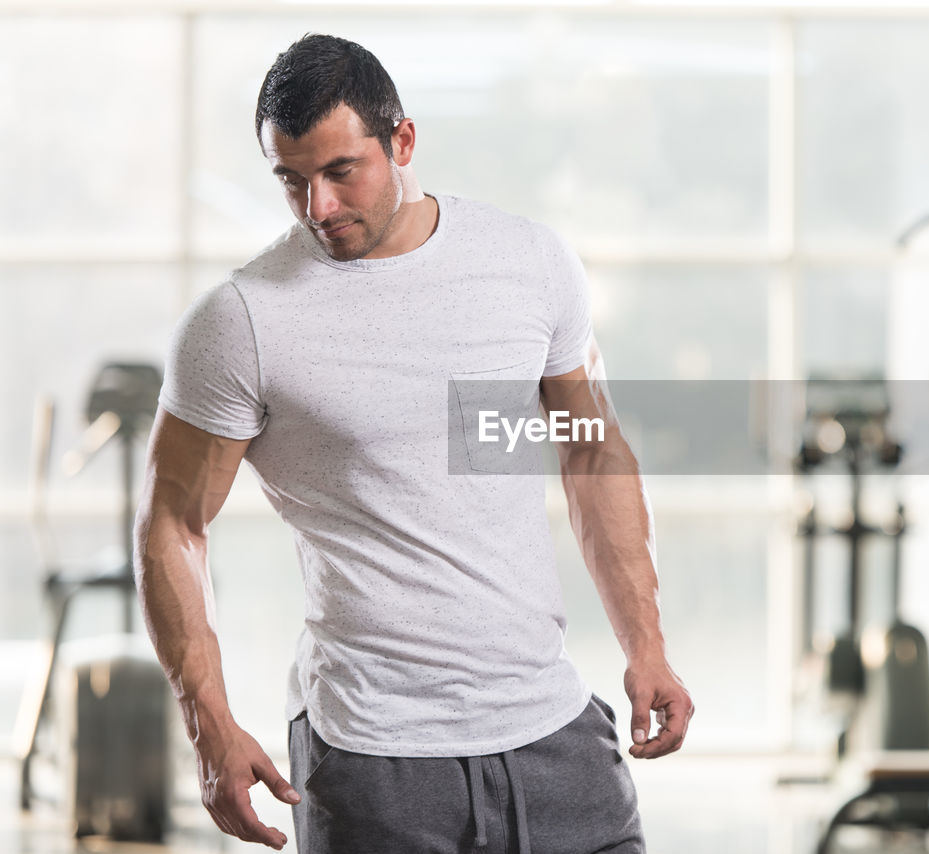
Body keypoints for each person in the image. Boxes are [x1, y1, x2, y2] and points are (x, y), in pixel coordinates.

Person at [133, 33, 692, 854]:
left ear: (402, 141)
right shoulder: (241, 322)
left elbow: (591, 449)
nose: (317, 207)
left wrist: (647, 645)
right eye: (291, 180)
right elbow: (172, 525)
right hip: (373, 759)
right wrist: (208, 725)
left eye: (339, 171)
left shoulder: (529, 264)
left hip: (555, 734)